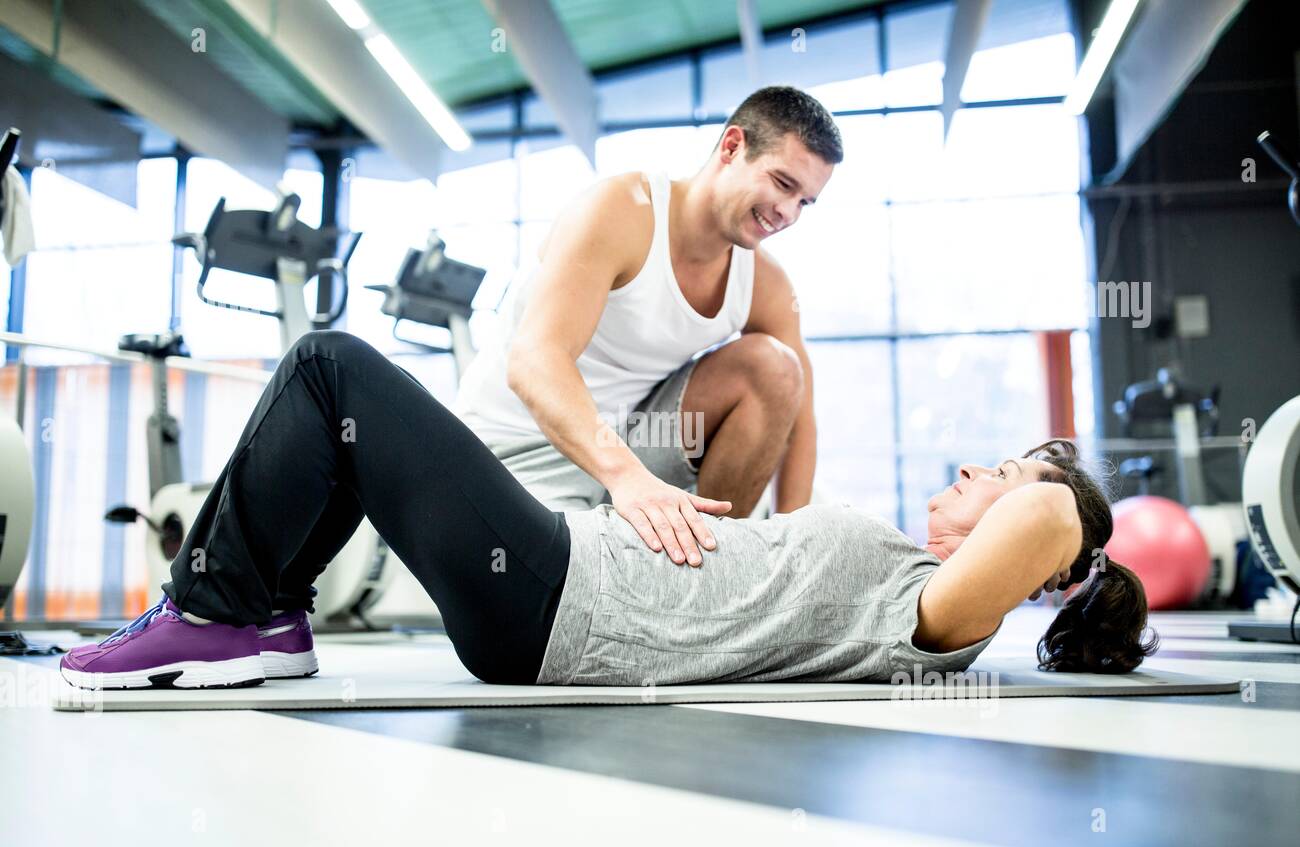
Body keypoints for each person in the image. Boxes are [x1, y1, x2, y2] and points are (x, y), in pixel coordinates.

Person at [60, 331, 1158, 690]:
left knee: (328, 369)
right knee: (351, 438)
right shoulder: (908, 585)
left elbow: (1053, 528)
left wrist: (1058, 506)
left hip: (558, 600)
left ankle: (210, 611)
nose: (972, 472)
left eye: (996, 478)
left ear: (1032, 557)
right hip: (561, 569)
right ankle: (266, 618)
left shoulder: (937, 618)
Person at [455, 86, 842, 567]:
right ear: (731, 147)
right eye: (783, 184)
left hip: (635, 443)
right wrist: (627, 479)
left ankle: (715, 579)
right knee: (540, 613)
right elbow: (534, 361)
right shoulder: (622, 210)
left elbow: (800, 416)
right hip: (517, 446)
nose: (789, 213)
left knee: (776, 369)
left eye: (806, 201)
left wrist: (794, 542)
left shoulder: (763, 281)